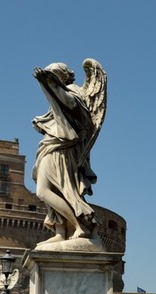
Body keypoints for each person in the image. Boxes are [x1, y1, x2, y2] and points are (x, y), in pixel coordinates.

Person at [31, 59, 107, 242]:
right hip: (53, 145)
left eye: (52, 74)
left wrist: (48, 83)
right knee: (54, 190)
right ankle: (61, 231)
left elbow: (72, 106)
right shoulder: (57, 93)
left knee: (45, 190)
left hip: (62, 148)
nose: (49, 77)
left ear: (61, 76)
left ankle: (79, 226)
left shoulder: (73, 90)